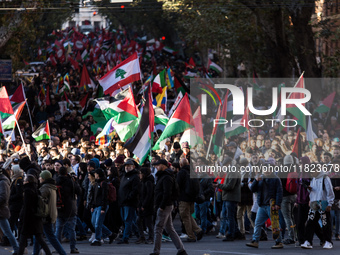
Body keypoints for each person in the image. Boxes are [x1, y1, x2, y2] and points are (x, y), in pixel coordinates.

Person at [150, 159, 187, 255]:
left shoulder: (166, 177)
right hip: (166, 204)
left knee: (158, 228)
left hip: (164, 205)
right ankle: (181, 249)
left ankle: (156, 251)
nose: (156, 167)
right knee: (169, 228)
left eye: (157, 165)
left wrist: (161, 206)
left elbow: (167, 193)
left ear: (163, 165)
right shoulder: (165, 176)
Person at [246, 163, 283, 249]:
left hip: (271, 205)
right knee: (257, 223)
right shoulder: (260, 178)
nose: (267, 171)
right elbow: (252, 189)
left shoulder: (276, 179)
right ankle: (255, 241)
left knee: (275, 224)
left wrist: (278, 203)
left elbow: (279, 192)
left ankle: (278, 241)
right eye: (265, 169)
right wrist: (255, 181)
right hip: (262, 205)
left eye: (269, 169)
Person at [301, 163, 335, 249]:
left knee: (325, 223)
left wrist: (330, 203)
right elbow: (314, 191)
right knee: (310, 223)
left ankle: (328, 241)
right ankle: (308, 241)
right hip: (314, 203)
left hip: (323, 203)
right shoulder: (313, 179)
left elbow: (330, 191)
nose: (312, 173)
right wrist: (309, 191)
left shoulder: (325, 178)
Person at [33, 170, 67, 255]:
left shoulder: (45, 188)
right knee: (38, 236)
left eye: (40, 177)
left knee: (49, 237)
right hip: (50, 214)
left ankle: (62, 253)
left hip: (45, 215)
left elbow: (38, 199)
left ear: (44, 178)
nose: (39, 178)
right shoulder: (51, 186)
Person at [17, 174, 51, 255]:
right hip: (36, 219)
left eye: (24, 180)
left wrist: (22, 221)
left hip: (28, 220)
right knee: (40, 239)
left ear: (27, 182)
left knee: (22, 240)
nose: (23, 182)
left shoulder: (27, 191)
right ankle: (49, 253)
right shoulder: (36, 190)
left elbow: (27, 208)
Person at [177, 158, 204, 242]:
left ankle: (191, 236)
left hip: (183, 198)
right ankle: (198, 230)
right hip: (192, 198)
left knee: (185, 217)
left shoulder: (181, 173)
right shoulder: (193, 172)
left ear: (181, 165)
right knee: (188, 215)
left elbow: (177, 186)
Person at [55, 167, 81, 254]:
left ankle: (57, 247)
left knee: (58, 229)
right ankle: (73, 248)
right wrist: (75, 181)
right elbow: (79, 191)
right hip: (70, 208)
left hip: (59, 208)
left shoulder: (56, 181)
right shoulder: (70, 182)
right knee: (71, 229)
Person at [89, 168, 115, 246]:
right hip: (96, 205)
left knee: (97, 223)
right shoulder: (96, 183)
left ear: (98, 175)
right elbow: (94, 196)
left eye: (96, 174)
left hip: (101, 205)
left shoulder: (103, 183)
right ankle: (110, 234)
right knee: (95, 223)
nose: (95, 175)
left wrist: (103, 207)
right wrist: (93, 205)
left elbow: (104, 196)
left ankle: (98, 239)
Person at [117, 159, 141, 244]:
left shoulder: (135, 177)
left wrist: (128, 197)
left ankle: (125, 238)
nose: (127, 167)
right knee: (128, 220)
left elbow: (135, 190)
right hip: (123, 201)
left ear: (133, 167)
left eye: (129, 166)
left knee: (128, 220)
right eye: (126, 166)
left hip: (129, 202)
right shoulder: (123, 175)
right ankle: (139, 235)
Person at [0, 164, 19, 255]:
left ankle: (16, 249)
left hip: (1, 211)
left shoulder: (3, 182)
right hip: (2, 210)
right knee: (7, 231)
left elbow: (3, 197)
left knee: (8, 232)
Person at [136, 167, 155, 244]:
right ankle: (142, 236)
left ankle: (151, 237)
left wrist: (144, 205)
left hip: (148, 206)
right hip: (142, 204)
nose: (139, 175)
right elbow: (141, 195)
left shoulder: (148, 182)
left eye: (140, 173)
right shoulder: (143, 182)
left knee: (148, 222)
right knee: (139, 221)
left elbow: (149, 195)